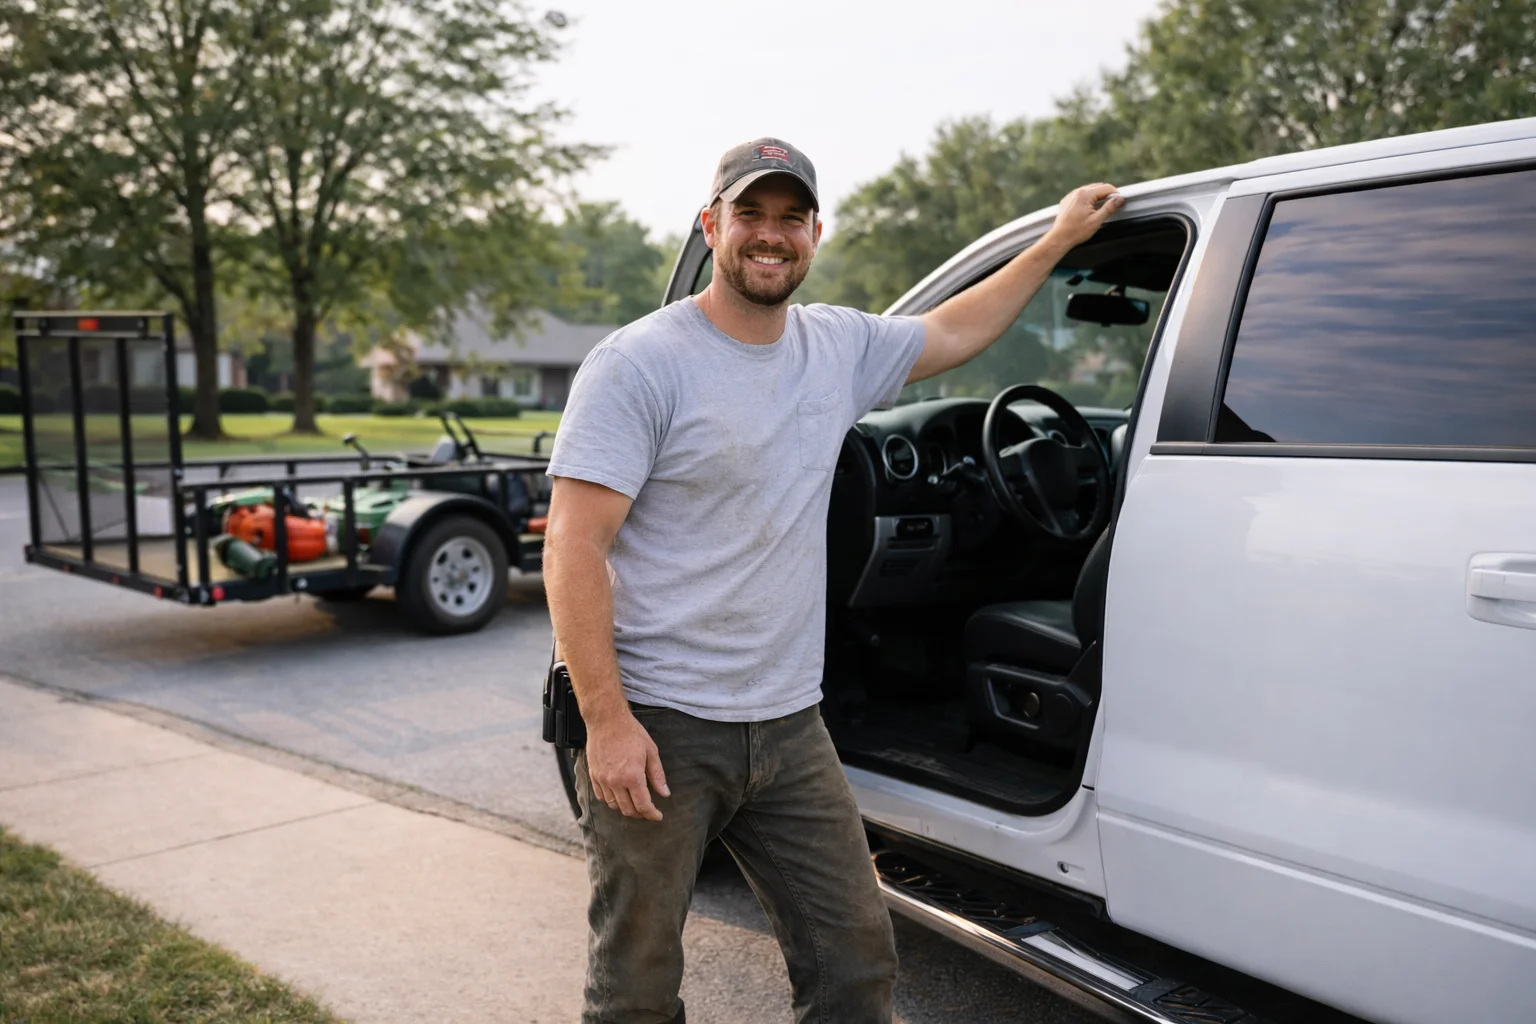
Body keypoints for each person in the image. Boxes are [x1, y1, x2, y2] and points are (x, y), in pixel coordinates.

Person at [543, 136, 1123, 1024]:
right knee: (636, 988)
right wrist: (607, 723)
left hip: (789, 725)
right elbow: (573, 548)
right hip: (662, 721)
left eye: (791, 217)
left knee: (855, 965)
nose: (770, 235)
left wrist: (1057, 241)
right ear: (711, 226)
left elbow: (956, 329)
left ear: (815, 234)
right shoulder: (639, 363)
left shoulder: (837, 346)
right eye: (749, 213)